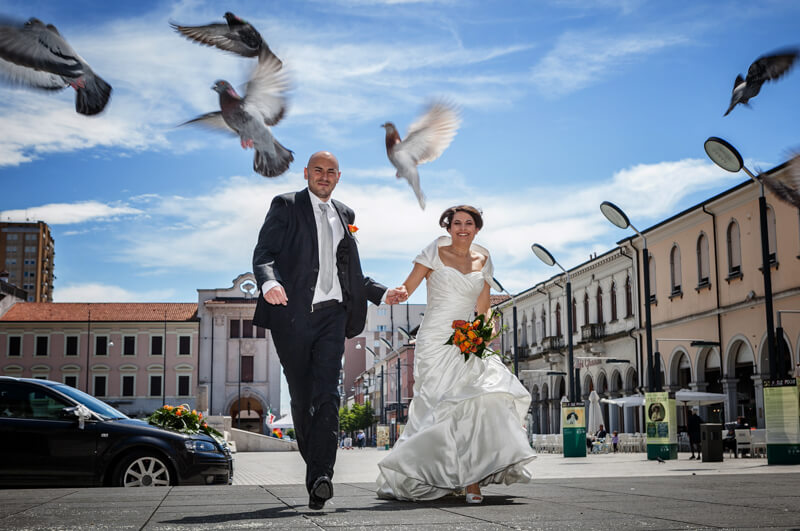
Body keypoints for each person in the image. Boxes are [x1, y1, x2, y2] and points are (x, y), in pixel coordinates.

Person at [252, 151, 404, 510]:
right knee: (302, 398)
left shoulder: (345, 214)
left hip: (333, 316)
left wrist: (381, 292)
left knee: (328, 394)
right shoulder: (286, 205)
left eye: (331, 171)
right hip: (292, 315)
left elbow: (350, 272)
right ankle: (317, 472)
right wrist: (269, 282)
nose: (324, 176)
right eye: (318, 170)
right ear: (306, 173)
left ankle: (322, 476)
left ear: (339, 176)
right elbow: (264, 253)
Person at [375, 205, 535, 505]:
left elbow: (484, 308)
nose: (462, 228)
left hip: (467, 341)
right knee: (437, 407)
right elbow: (408, 287)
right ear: (448, 228)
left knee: (476, 403)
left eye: (468, 223)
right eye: (457, 223)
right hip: (435, 340)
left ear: (477, 228)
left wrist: (484, 331)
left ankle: (472, 479)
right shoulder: (433, 252)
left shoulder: (483, 259)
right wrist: (397, 293)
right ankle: (442, 474)